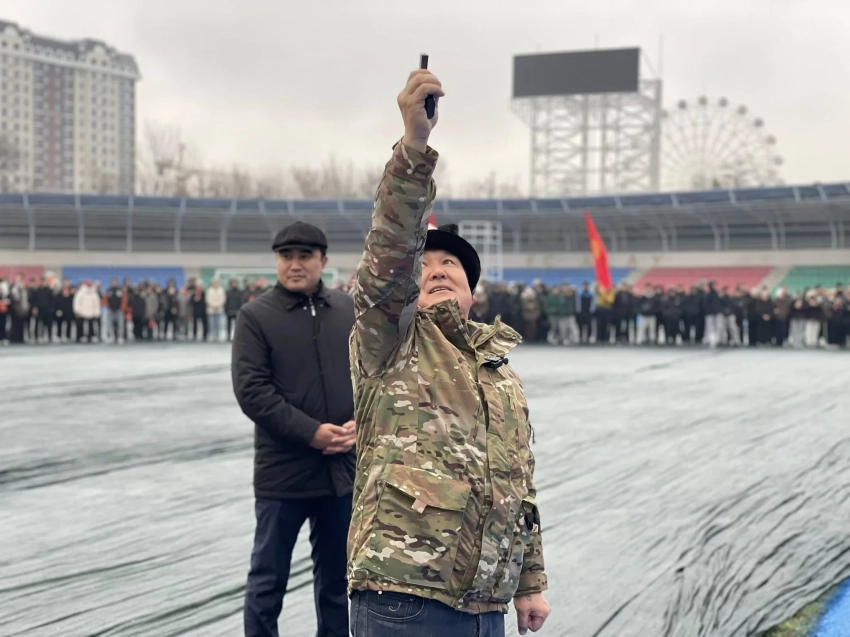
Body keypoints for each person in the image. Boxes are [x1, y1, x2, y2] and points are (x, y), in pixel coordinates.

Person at [347, 68, 550, 637]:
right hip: (404, 598)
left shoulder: (500, 373)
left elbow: (518, 483)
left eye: (450, 265)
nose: (436, 270)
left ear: (471, 291)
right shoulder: (392, 339)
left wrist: (530, 581)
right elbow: (390, 252)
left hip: (486, 604)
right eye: (425, 265)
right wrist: (415, 147)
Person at [232, 221, 356, 637]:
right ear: (276, 261)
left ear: (323, 260)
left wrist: (361, 423)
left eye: (305, 256)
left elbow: (372, 376)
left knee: (337, 581)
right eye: (287, 256)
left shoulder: (348, 311)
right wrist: (311, 432)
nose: (295, 264)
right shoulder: (255, 316)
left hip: (340, 472)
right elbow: (252, 391)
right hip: (282, 474)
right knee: (268, 580)